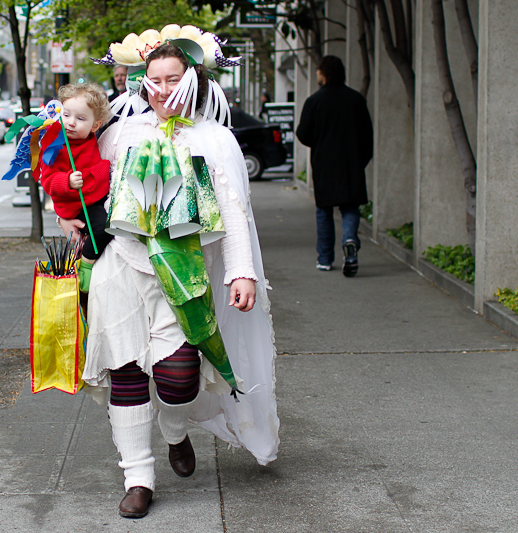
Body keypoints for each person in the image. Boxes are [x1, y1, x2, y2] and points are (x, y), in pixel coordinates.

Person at [59, 25, 279, 518]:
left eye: (172, 78)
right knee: (126, 374)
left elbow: (234, 210)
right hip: (121, 268)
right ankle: (137, 477)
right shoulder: (120, 133)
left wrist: (241, 272)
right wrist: (64, 213)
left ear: (193, 79)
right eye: (153, 80)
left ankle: (175, 430)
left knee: (179, 378)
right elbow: (84, 184)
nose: (161, 90)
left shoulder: (214, 139)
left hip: (183, 275)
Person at [296, 55, 373, 277]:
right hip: (351, 163)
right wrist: (360, 160)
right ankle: (349, 240)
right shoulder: (356, 100)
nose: (317, 74)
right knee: (350, 207)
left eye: (319, 70)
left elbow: (303, 133)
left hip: (324, 164)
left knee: (324, 211)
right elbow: (367, 135)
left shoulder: (315, 101)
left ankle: (325, 258)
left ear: (324, 73)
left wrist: (319, 141)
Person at [39, 83, 114, 293]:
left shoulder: (91, 140)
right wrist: (67, 181)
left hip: (93, 196)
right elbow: (47, 180)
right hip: (76, 204)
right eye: (66, 115)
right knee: (103, 228)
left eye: (80, 118)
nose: (71, 123)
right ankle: (86, 265)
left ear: (95, 125)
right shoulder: (56, 145)